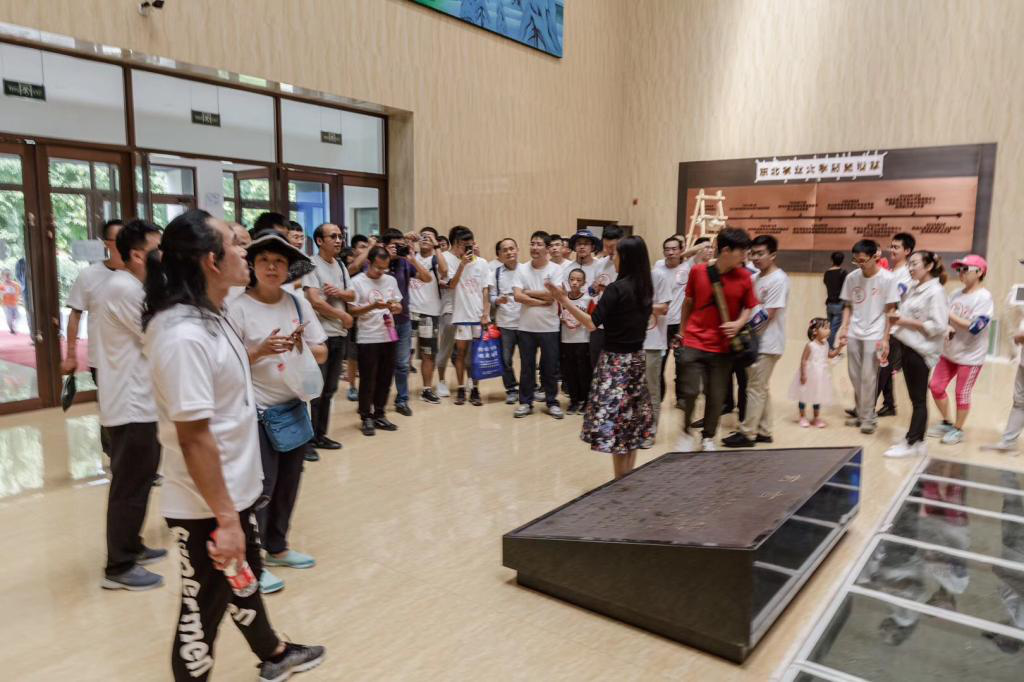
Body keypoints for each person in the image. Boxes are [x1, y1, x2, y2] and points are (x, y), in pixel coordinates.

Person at [143, 209, 324, 681]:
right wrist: (226, 520)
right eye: (237, 243)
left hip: (232, 493)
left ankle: (274, 652)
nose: (247, 252)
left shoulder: (213, 314)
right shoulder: (182, 335)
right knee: (200, 612)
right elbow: (194, 436)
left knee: (243, 576)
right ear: (211, 260)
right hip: (205, 504)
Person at [227, 233, 327, 594]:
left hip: (294, 406)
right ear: (252, 266)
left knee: (288, 483)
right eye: (265, 261)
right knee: (260, 488)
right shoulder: (237, 307)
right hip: (255, 411)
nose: (272, 267)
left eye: (279, 262)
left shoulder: (297, 303)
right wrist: (260, 350)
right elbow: (226, 361)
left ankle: (278, 547)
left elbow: (322, 351)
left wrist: (300, 345)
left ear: (288, 269)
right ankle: (253, 562)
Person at [546, 236, 654, 479]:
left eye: (617, 254)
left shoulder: (617, 288)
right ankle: (628, 477)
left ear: (626, 258)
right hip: (637, 360)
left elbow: (591, 323)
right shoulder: (645, 287)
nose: (613, 259)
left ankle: (620, 481)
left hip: (616, 362)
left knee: (617, 422)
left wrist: (563, 300)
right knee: (631, 421)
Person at [96, 219, 166, 591]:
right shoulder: (124, 289)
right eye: (158, 250)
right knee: (130, 484)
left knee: (139, 480)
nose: (164, 256)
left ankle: (132, 545)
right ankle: (119, 566)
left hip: (140, 401)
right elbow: (155, 336)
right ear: (138, 255)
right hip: (130, 404)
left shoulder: (131, 287)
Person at [674, 228, 759, 452]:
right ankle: (686, 432)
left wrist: (738, 323)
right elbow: (688, 302)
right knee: (689, 391)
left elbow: (749, 307)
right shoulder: (698, 271)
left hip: (723, 346)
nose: (746, 256)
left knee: (716, 395)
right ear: (726, 250)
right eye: (742, 252)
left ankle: (708, 436)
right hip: (694, 340)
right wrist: (682, 332)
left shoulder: (744, 276)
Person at [723, 235, 789, 448]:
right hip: (757, 341)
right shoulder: (755, 278)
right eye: (753, 253)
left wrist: (744, 334)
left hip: (767, 343)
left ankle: (748, 433)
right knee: (761, 388)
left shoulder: (779, 279)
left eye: (761, 253)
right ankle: (764, 430)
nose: (756, 258)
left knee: (754, 388)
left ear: (773, 255)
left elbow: (768, 314)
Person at [64, 218, 124, 454]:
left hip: (136, 355)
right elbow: (75, 315)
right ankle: (114, 456)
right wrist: (70, 354)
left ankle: (135, 458)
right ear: (106, 243)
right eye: (119, 240)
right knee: (110, 407)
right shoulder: (89, 276)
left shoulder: (140, 274)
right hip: (103, 358)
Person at [884, 251, 949, 458]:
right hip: (907, 346)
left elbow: (938, 326)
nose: (910, 268)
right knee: (916, 399)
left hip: (920, 350)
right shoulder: (914, 287)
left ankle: (911, 442)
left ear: (928, 267)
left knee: (918, 400)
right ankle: (918, 441)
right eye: (909, 264)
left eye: (915, 264)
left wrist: (904, 321)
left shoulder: (936, 292)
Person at [927, 255, 993, 445]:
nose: (961, 273)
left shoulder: (984, 297)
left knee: (961, 393)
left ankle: (958, 429)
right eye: (959, 269)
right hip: (949, 352)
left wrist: (949, 314)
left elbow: (975, 327)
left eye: (965, 269)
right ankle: (947, 422)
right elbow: (945, 317)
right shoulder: (955, 293)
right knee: (936, 386)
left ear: (979, 272)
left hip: (970, 356)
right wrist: (946, 324)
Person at [837, 239, 900, 435]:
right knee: (854, 375)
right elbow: (848, 305)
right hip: (854, 332)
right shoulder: (852, 277)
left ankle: (869, 418)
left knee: (868, 376)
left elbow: (890, 311)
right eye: (856, 261)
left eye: (863, 260)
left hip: (876, 333)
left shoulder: (888, 279)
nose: (859, 264)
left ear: (875, 257)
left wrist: (886, 339)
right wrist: (844, 327)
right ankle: (861, 413)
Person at [302, 223, 354, 453]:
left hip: (339, 334)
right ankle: (307, 440)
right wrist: (342, 314)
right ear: (320, 241)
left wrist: (339, 294)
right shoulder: (311, 265)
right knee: (315, 390)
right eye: (333, 236)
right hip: (320, 337)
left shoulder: (341, 265)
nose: (338, 240)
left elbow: (352, 294)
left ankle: (320, 435)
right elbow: (315, 300)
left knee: (330, 388)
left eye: (340, 236)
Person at [349, 245, 404, 435]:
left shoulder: (390, 280)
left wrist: (396, 307)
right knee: (368, 379)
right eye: (378, 267)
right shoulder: (357, 282)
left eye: (384, 268)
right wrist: (372, 306)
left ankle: (380, 413)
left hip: (388, 335)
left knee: (385, 377)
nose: (381, 272)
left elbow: (398, 304)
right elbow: (352, 311)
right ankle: (366, 416)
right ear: (368, 263)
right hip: (367, 337)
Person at [377, 229, 432, 416]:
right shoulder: (376, 262)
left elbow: (427, 278)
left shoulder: (405, 263)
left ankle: (402, 400)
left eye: (401, 245)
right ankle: (378, 402)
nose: (398, 249)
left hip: (403, 320)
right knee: (382, 365)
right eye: (395, 245)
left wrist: (412, 259)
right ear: (385, 246)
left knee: (402, 364)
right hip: (380, 323)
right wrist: (386, 258)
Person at [512, 231, 564, 418]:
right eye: (532, 243)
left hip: (549, 327)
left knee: (549, 368)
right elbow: (517, 296)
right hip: (526, 327)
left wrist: (529, 292)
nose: (534, 247)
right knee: (527, 368)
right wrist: (542, 301)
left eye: (539, 244)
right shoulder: (521, 269)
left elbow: (554, 295)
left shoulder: (555, 269)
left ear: (547, 248)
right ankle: (525, 402)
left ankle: (552, 402)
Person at [446, 226, 492, 406]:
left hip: (478, 316)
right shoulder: (453, 262)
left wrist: (486, 313)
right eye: (462, 245)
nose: (465, 248)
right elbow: (452, 285)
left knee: (476, 355)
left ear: (473, 243)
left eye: (469, 244)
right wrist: (462, 265)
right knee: (460, 354)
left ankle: (474, 389)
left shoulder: (482, 263)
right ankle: (460, 388)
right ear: (456, 245)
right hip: (461, 315)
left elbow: (486, 290)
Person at [874, 232, 916, 416]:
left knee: (882, 366)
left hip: (895, 328)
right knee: (885, 366)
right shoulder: (892, 272)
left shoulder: (906, 273)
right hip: (885, 324)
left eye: (896, 247)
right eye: (891, 246)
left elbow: (893, 296)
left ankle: (866, 407)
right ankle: (889, 405)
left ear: (907, 251)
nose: (892, 250)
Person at [409, 227, 449, 403]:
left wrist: (437, 246)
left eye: (429, 237)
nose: (425, 238)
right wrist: (407, 238)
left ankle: (426, 389)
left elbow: (444, 270)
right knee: (405, 353)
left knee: (428, 353)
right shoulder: (411, 255)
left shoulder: (436, 258)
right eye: (423, 236)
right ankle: (401, 392)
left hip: (430, 313)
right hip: (409, 311)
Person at [641, 267, 673, 448]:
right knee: (633, 391)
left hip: (652, 344)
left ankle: (650, 431)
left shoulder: (658, 276)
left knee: (651, 390)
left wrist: (638, 306)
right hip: (630, 342)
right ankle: (636, 428)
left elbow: (663, 308)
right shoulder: (625, 277)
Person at [788, 318, 840, 427]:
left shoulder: (826, 344)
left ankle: (816, 418)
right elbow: (803, 360)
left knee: (817, 396)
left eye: (828, 328)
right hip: (809, 374)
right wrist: (803, 374)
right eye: (825, 328)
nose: (828, 330)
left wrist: (840, 347)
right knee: (804, 395)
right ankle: (802, 417)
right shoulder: (810, 345)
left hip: (821, 375)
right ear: (815, 331)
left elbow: (831, 355)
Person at [492, 237, 522, 404]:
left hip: (525, 323)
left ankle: (529, 387)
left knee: (528, 359)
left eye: (512, 248)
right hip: (505, 323)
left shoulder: (526, 270)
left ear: (517, 250)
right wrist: (497, 300)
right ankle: (511, 389)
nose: (509, 252)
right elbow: (490, 296)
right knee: (505, 359)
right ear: (499, 254)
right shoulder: (496, 273)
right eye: (505, 250)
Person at [559, 268, 592, 414]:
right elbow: (558, 315)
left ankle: (585, 400)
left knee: (583, 371)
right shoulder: (563, 298)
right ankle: (574, 400)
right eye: (572, 279)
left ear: (584, 283)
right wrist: (564, 320)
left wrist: (581, 321)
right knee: (569, 372)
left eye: (578, 280)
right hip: (566, 340)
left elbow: (592, 318)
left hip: (583, 340)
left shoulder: (588, 299)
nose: (574, 282)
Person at [824, 251, 847, 349]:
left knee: (829, 327)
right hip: (839, 304)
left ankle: (826, 347)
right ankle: (829, 349)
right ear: (842, 261)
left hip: (829, 304)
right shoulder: (843, 273)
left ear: (832, 259)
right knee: (833, 329)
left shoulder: (827, 273)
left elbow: (826, 283)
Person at [1, 269, 21, 333]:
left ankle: (13, 326)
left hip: (14, 304)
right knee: (9, 317)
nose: (7, 277)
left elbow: (18, 292)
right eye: (6, 275)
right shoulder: (2, 285)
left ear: (11, 276)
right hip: (6, 304)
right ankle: (11, 328)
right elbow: (1, 295)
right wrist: (3, 293)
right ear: (2, 277)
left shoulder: (15, 284)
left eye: (9, 275)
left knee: (18, 316)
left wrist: (14, 292)